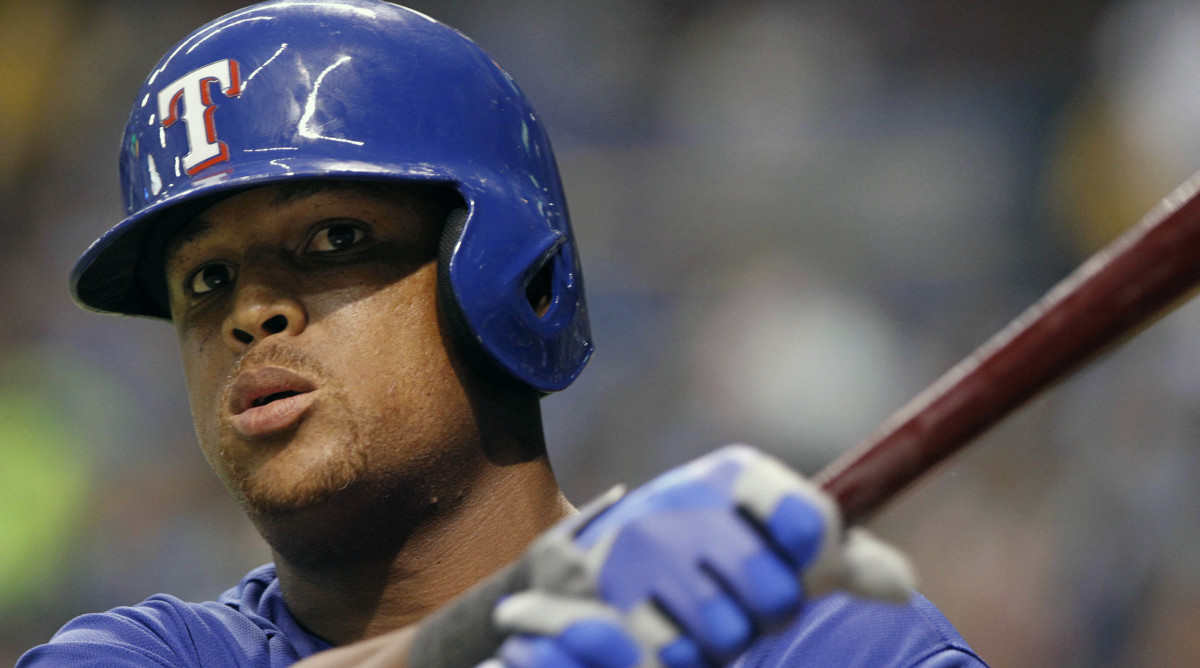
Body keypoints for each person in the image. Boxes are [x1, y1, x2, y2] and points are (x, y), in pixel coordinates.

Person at [20, 1, 987, 666]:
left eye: (334, 239)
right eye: (206, 280)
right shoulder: (154, 652)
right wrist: (502, 634)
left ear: (514, 276)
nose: (248, 313)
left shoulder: (813, 644)